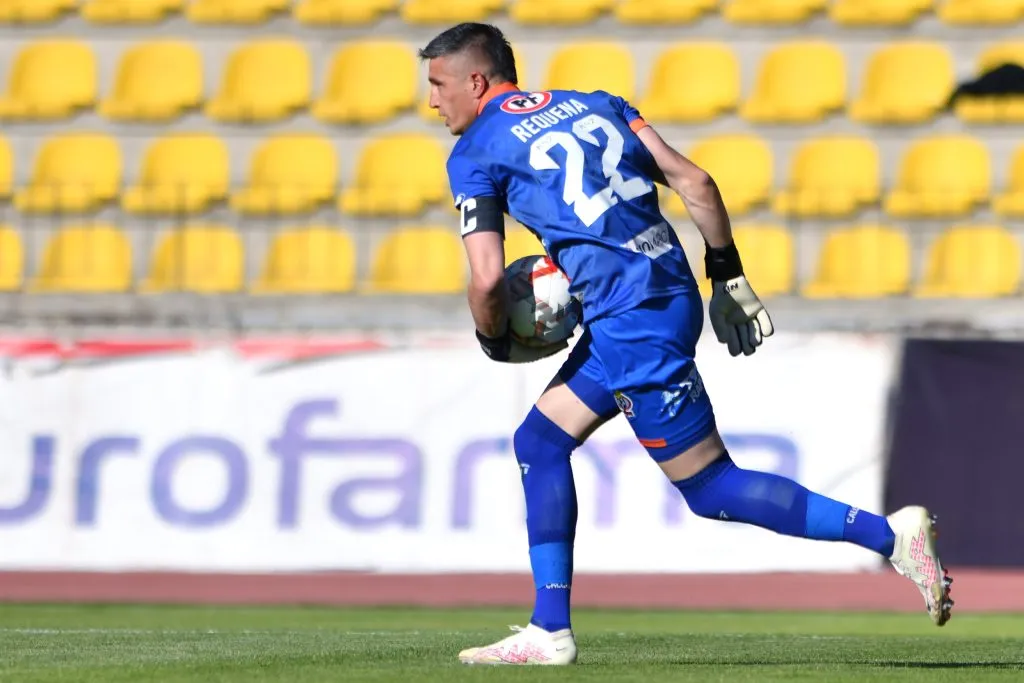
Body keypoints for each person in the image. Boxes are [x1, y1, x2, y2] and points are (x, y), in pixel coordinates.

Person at [419, 23, 953, 666]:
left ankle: (890, 536)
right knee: (539, 441)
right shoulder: (598, 104)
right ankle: (547, 628)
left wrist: (494, 338)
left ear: (476, 81)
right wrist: (728, 277)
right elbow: (695, 182)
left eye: (438, 84)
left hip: (630, 321)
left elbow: (485, 278)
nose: (433, 100)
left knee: (711, 487)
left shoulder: (475, 152)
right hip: (664, 293)